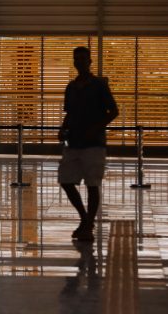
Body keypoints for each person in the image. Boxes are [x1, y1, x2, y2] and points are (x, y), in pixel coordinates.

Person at [58, 46, 119, 242]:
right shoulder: (71, 87)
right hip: (74, 142)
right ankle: (86, 219)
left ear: (89, 61)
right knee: (66, 180)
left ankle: (87, 224)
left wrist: (96, 128)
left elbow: (113, 111)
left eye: (83, 59)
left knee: (93, 184)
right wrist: (62, 128)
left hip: (93, 144)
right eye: (76, 59)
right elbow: (70, 113)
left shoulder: (99, 85)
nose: (80, 62)